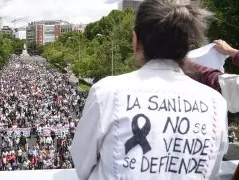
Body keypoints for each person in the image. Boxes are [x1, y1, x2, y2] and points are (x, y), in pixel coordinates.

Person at [71, 0, 228, 180]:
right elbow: (211, 171)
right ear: (187, 46)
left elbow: (82, 161)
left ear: (135, 41)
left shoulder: (106, 92)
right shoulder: (215, 103)